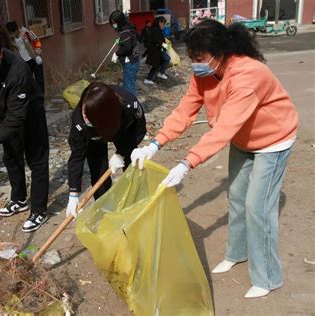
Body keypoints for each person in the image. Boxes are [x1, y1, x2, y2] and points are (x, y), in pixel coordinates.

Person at [131, 20, 298, 299]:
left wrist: (187, 163)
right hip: (244, 139)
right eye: (193, 59)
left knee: (258, 207)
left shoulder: (248, 75)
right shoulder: (205, 74)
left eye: (199, 59)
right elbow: (185, 110)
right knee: (236, 196)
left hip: (273, 140)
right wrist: (155, 143)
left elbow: (224, 127)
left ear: (220, 54)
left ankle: (268, 277)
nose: (195, 65)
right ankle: (237, 253)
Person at [0, 32, 50, 232]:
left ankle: (39, 210)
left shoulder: (18, 70)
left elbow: (16, 118)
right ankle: (19, 199)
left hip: (29, 112)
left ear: (1, 55)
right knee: (11, 157)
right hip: (4, 112)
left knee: (36, 159)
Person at [66, 82, 146, 218]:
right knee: (98, 172)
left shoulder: (128, 105)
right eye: (84, 112)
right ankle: (105, 211)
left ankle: (135, 205)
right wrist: (73, 195)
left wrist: (121, 153)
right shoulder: (80, 121)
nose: (84, 116)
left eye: (88, 115)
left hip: (120, 129)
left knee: (131, 165)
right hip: (94, 136)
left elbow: (139, 131)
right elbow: (77, 157)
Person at [5, 21, 45, 93]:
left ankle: (41, 94)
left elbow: (37, 41)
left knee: (39, 79)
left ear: (16, 30)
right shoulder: (11, 40)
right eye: (10, 33)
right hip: (24, 62)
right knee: (27, 80)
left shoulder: (26, 33)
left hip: (34, 58)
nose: (11, 35)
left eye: (12, 33)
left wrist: (37, 51)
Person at [109, 10, 140, 96]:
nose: (113, 25)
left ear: (119, 22)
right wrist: (121, 41)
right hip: (135, 60)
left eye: (114, 23)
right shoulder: (130, 28)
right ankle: (131, 105)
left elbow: (127, 48)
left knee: (129, 89)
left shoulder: (125, 32)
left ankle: (133, 107)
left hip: (130, 62)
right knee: (129, 86)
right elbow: (132, 41)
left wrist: (117, 53)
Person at [143, 16, 168, 85]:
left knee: (156, 66)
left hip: (158, 50)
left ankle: (148, 79)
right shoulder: (155, 30)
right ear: (159, 23)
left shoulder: (158, 30)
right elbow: (156, 40)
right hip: (154, 51)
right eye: (163, 23)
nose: (164, 25)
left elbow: (161, 40)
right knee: (166, 59)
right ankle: (160, 73)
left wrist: (165, 46)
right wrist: (164, 45)